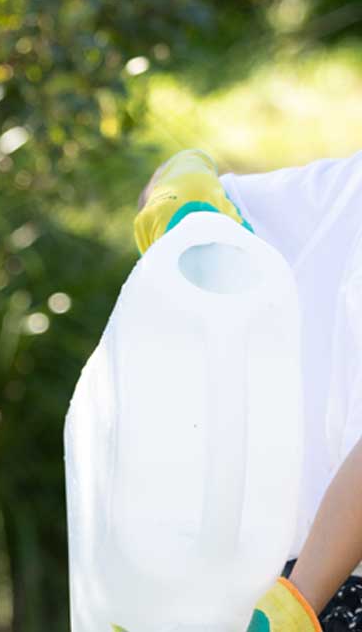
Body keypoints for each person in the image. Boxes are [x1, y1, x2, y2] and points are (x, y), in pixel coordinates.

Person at [134, 149, 362, 630]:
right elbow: (170, 190)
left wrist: (294, 607)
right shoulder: (342, 192)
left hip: (308, 593)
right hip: (283, 584)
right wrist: (180, 200)